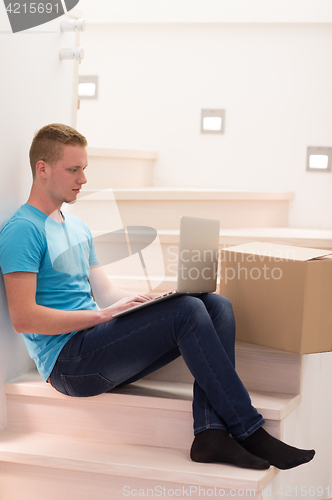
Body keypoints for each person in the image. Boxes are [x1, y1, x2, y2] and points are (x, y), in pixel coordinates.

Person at [0, 123, 315, 471]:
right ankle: (249, 429)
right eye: (73, 169)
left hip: (95, 342)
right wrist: (102, 316)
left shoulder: (75, 225)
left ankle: (210, 434)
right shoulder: (22, 230)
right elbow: (23, 317)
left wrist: (154, 301)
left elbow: (104, 292)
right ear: (42, 168)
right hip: (69, 364)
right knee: (187, 311)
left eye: (84, 169)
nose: (83, 179)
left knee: (215, 305)